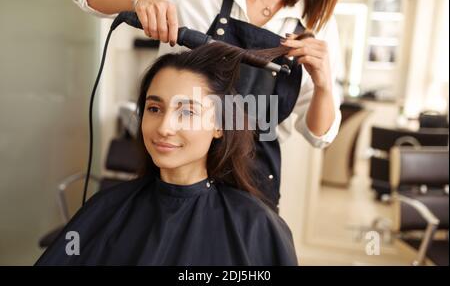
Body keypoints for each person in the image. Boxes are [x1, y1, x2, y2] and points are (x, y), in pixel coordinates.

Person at [71, 0, 346, 210]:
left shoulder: (319, 23)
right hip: (176, 174)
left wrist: (323, 84)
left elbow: (320, 135)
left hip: (253, 187)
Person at [35, 43, 298, 266]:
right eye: (154, 109)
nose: (164, 127)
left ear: (219, 125)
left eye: (187, 112)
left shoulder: (256, 226)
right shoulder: (105, 209)